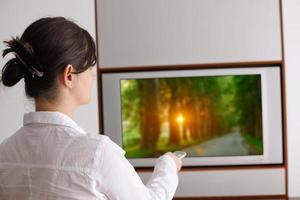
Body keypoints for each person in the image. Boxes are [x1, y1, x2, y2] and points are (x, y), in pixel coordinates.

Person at [0, 17, 182, 200]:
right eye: (89, 67)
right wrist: (168, 166)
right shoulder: (97, 154)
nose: (93, 76)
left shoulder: (5, 153)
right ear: (69, 75)